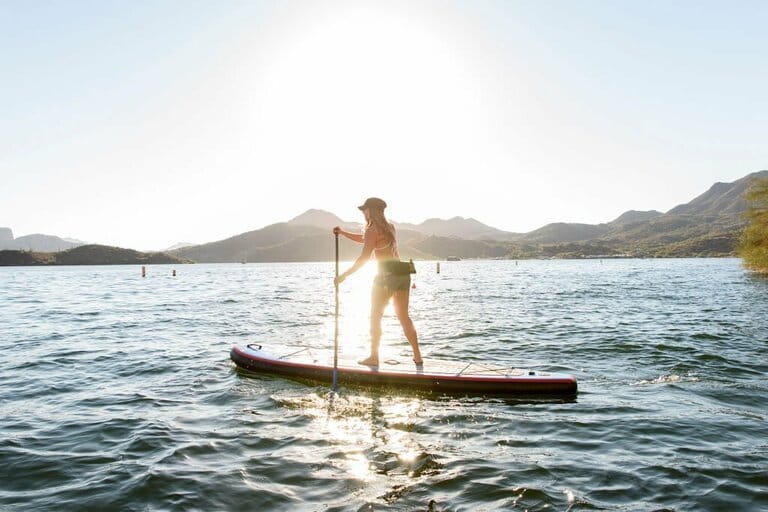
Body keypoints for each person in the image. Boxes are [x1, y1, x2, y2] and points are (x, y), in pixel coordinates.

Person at [333, 197, 423, 367]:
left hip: (385, 275)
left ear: (371, 211)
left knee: (375, 316)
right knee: (404, 316)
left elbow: (364, 257)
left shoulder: (372, 230)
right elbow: (366, 239)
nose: (363, 213)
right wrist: (343, 233)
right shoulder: (390, 227)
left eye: (365, 210)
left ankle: (374, 357)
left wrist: (344, 275)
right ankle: (417, 356)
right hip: (402, 273)